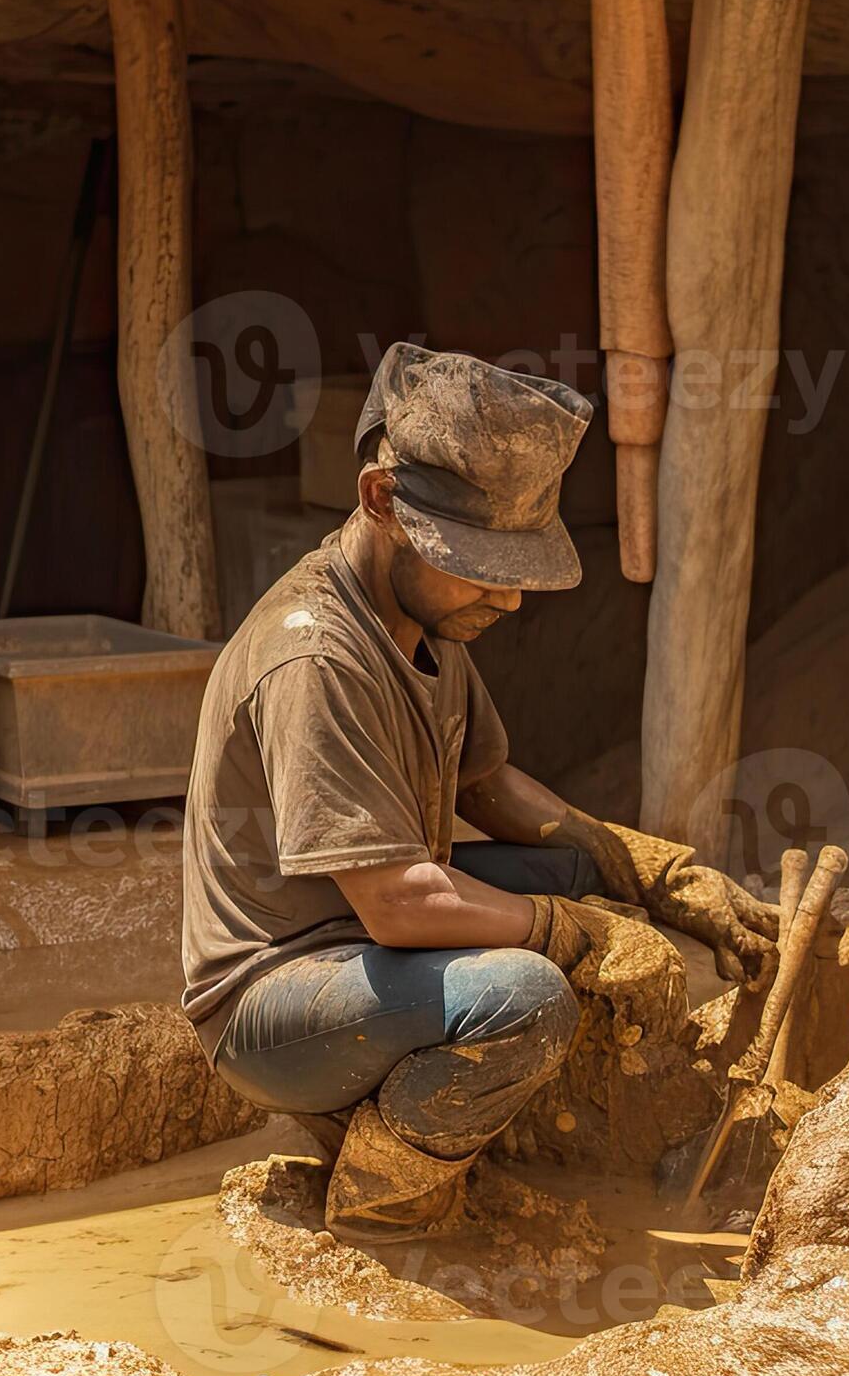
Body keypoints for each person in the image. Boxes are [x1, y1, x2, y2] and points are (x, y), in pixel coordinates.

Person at [180, 342, 781, 1230]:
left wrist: (647, 870)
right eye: (484, 564)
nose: (510, 601)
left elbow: (488, 784)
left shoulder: (428, 629)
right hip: (277, 997)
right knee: (527, 996)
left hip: (366, 948)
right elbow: (396, 903)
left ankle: (508, 1127)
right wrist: (570, 936)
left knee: (585, 877)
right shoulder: (314, 655)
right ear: (382, 501)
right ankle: (385, 1212)